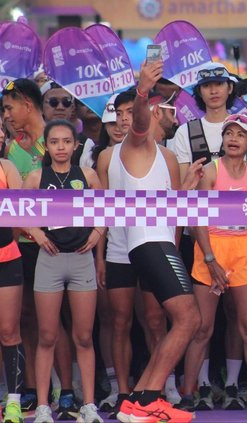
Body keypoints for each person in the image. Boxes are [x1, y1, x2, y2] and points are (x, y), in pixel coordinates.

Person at [114, 59, 201, 423]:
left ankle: (138, 402)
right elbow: (136, 123)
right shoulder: (139, 145)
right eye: (166, 106)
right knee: (189, 320)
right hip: (148, 242)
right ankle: (149, 399)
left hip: (157, 240)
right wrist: (142, 92)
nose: (173, 111)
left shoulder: (163, 157)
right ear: (153, 111)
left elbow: (171, 212)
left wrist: (185, 191)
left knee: (178, 321)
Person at [181, 113, 247, 419]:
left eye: (240, 134)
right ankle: (189, 394)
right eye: (228, 133)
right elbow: (196, 219)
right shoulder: (210, 171)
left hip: (244, 249)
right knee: (202, 328)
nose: (233, 138)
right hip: (210, 248)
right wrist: (210, 259)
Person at [22, 119, 104, 423]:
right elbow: (18, 211)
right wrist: (37, 235)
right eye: (54, 142)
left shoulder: (88, 174)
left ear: (75, 145)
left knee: (83, 336)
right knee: (47, 335)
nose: (60, 147)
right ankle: (44, 406)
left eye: (66, 142)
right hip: (50, 259)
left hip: (81, 259)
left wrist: (97, 232)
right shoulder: (35, 177)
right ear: (47, 144)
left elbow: (106, 207)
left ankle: (89, 405)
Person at [2, 78, 45, 415]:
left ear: (26, 104)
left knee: (55, 324)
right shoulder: (11, 149)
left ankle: (63, 392)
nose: (6, 116)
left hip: (56, 246)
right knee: (26, 319)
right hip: (21, 247)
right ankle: (28, 390)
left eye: (9, 107)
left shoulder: (57, 139)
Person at [0, 147, 25, 423]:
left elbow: (21, 209)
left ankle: (14, 404)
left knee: (9, 331)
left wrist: (11, 241)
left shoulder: (6, 167)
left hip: (6, 256)